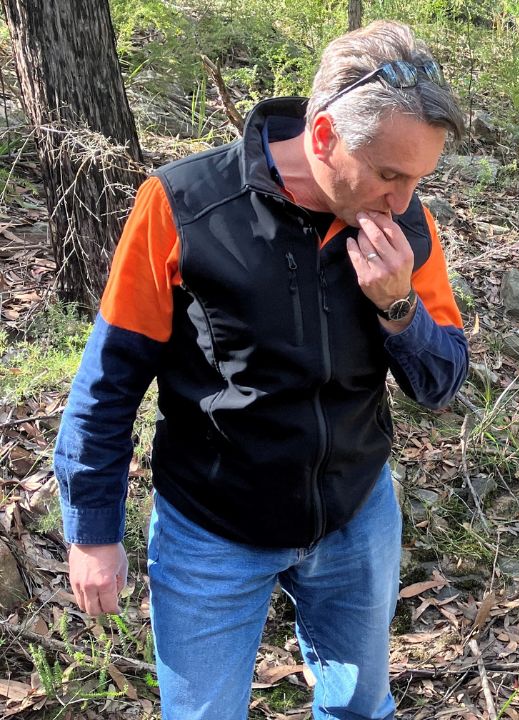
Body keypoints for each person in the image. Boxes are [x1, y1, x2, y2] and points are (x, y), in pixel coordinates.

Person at [53, 20, 468, 720]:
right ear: (326, 136)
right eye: (390, 174)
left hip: (356, 513)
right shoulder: (184, 205)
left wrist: (398, 307)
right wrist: (93, 529)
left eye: (419, 178)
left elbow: (441, 380)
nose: (403, 200)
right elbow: (111, 377)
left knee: (362, 708)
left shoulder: (407, 228)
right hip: (212, 527)